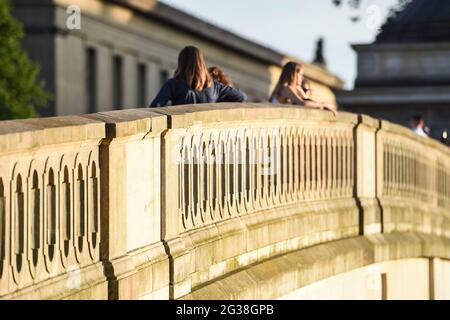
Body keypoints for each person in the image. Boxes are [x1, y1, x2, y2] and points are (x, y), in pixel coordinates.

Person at [150, 46, 247, 107]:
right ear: (201, 63)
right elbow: (241, 97)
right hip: (207, 137)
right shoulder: (215, 87)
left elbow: (155, 107)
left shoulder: (173, 84)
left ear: (181, 64)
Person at [269, 62, 337, 116]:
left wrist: (325, 106)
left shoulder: (294, 88)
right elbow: (303, 103)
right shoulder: (286, 88)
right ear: (294, 75)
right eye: (300, 75)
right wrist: (323, 105)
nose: (302, 78)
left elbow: (308, 100)